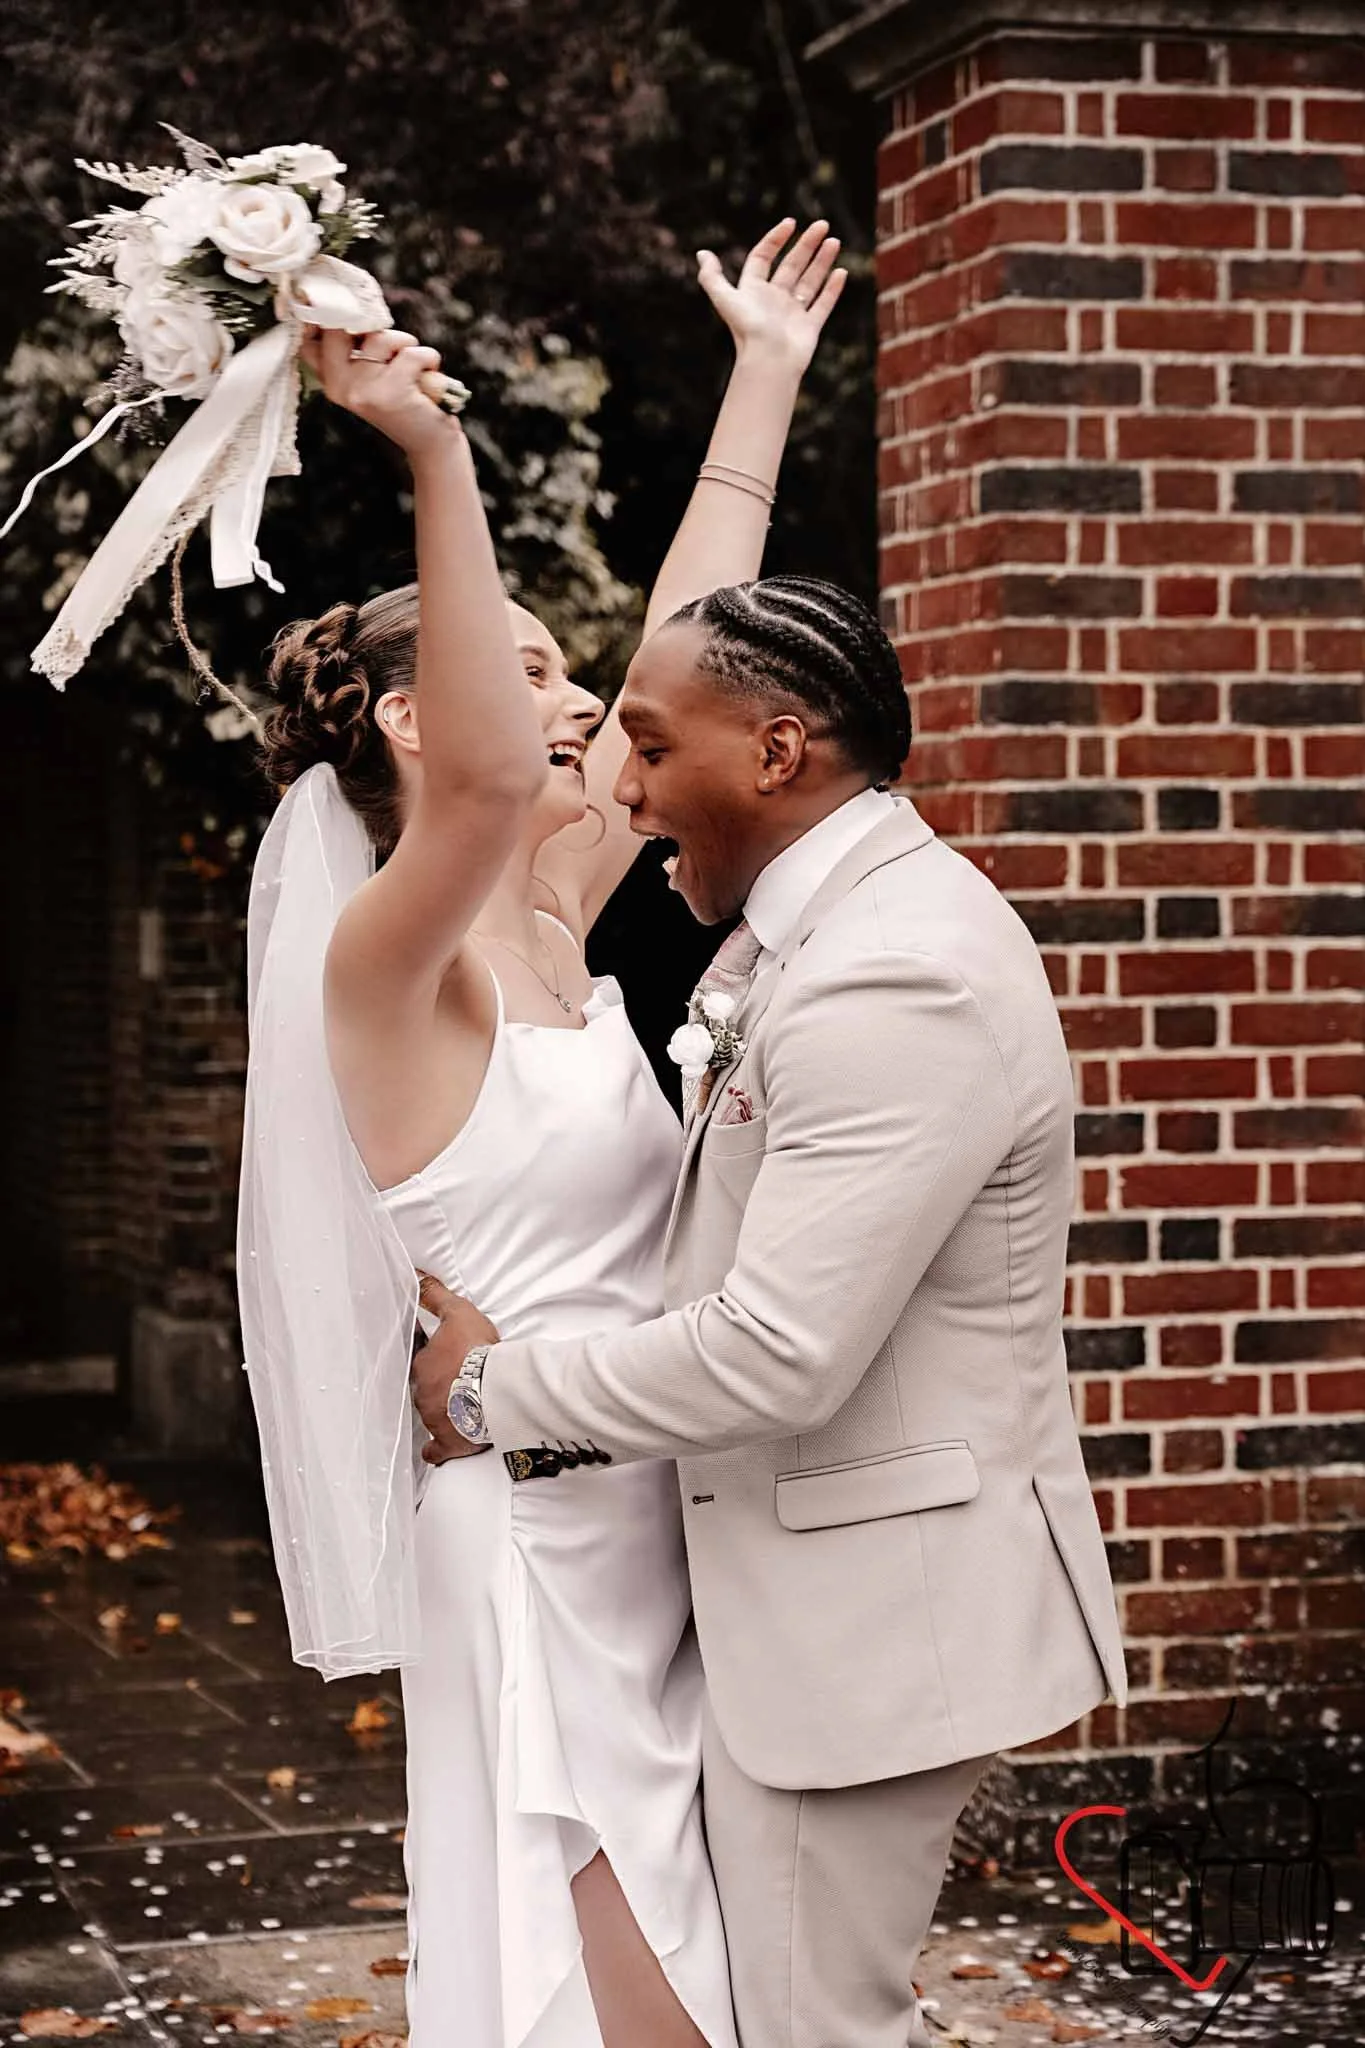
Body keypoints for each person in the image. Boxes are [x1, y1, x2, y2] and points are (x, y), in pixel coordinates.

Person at [238, 220, 848, 2048]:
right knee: (624, 1992)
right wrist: (429, 447)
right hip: (525, 1537)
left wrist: (764, 378)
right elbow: (506, 775)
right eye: (526, 669)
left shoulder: (561, 917)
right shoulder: (386, 968)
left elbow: (684, 657)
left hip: (655, 1506)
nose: (582, 711)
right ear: (420, 721)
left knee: (693, 1973)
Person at [411, 576, 1131, 2048]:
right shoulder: (835, 925)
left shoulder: (895, 972)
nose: (627, 786)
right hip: (803, 1599)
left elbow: (776, 1350)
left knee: (814, 2028)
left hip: (868, 1623)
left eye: (657, 749)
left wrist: (492, 1395)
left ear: (778, 752)